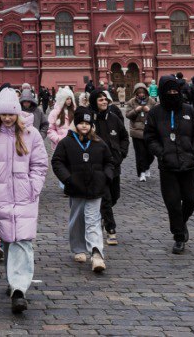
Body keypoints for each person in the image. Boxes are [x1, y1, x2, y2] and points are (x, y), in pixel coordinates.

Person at [0, 87, 47, 314]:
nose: (7, 118)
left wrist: (34, 186)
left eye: (11, 114)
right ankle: (13, 279)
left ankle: (19, 289)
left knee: (23, 240)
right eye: (4, 114)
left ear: (17, 112)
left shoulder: (31, 134)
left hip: (25, 193)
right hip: (1, 193)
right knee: (8, 237)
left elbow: (39, 164)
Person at [144, 77, 194, 254]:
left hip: (188, 164)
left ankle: (180, 222)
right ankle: (178, 236)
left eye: (175, 91)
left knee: (191, 199)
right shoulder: (155, 113)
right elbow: (149, 137)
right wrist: (161, 153)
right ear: (163, 93)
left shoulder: (189, 110)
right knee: (172, 203)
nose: (172, 94)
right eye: (168, 92)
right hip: (167, 165)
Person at [51, 106, 112, 273]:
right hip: (76, 188)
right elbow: (57, 162)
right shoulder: (66, 143)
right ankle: (78, 248)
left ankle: (96, 253)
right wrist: (68, 179)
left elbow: (109, 162)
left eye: (87, 123)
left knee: (93, 220)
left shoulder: (99, 143)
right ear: (75, 124)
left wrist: (105, 177)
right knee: (77, 219)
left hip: (95, 188)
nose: (84, 126)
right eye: (81, 123)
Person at [91, 89, 128, 246]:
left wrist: (122, 153)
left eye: (105, 99)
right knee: (105, 197)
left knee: (115, 195)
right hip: (98, 167)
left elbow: (124, 137)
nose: (104, 102)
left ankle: (100, 215)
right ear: (95, 102)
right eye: (100, 100)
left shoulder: (114, 118)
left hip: (114, 163)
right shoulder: (90, 120)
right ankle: (111, 229)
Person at [126, 82, 155, 181]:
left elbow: (156, 115)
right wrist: (136, 110)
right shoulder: (131, 102)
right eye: (139, 93)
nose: (141, 95)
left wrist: (149, 110)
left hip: (149, 131)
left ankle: (146, 167)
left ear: (146, 92)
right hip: (136, 131)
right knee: (140, 154)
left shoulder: (151, 101)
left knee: (151, 153)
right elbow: (128, 115)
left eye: (143, 92)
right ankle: (141, 173)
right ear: (136, 93)